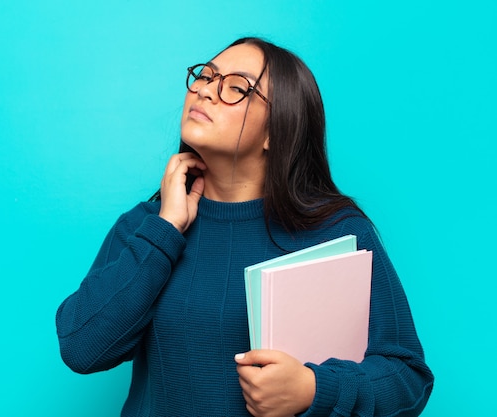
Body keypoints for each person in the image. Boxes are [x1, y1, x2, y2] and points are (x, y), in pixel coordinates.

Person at [56, 37, 434, 416]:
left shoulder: (337, 232)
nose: (205, 92)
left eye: (236, 87)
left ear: (277, 130)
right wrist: (165, 231)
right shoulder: (146, 226)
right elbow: (81, 349)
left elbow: (408, 379)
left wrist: (313, 388)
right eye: (205, 77)